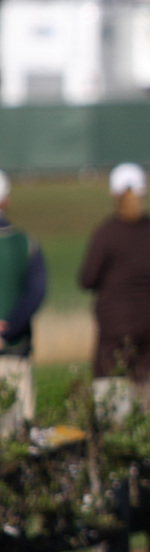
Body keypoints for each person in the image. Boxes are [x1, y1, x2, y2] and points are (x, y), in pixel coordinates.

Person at [78, 163, 150, 384]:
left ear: (114, 194)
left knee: (111, 384)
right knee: (149, 383)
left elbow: (87, 279)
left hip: (114, 323)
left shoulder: (106, 234)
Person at [0, 170, 47, 435]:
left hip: (15, 349)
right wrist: (8, 329)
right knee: (19, 434)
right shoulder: (26, 243)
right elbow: (36, 293)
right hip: (16, 351)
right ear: (6, 200)